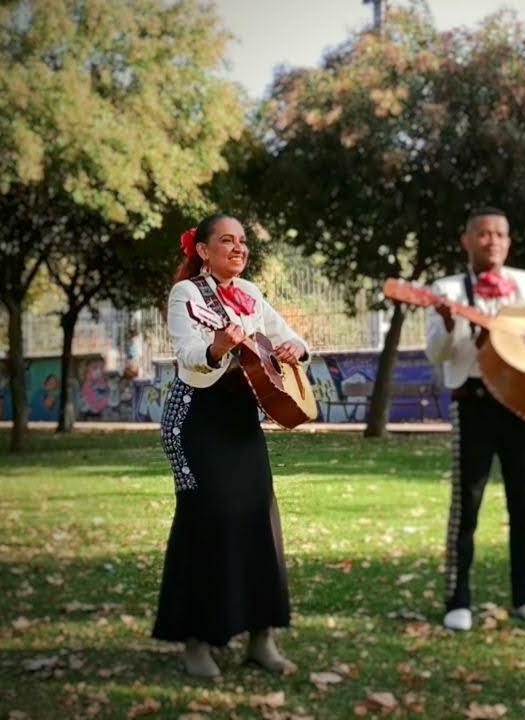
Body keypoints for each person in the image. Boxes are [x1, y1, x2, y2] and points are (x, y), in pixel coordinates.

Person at [153, 212, 310, 676]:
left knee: (259, 517)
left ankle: (261, 637)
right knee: (207, 520)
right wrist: (220, 346)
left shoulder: (252, 293)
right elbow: (187, 355)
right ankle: (196, 642)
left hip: (242, 420)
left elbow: (292, 339)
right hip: (196, 418)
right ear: (203, 250)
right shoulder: (186, 294)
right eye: (227, 241)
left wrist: (291, 351)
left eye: (243, 241)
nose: (239, 248)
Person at [425, 206, 525, 632]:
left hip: (522, 406)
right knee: (467, 505)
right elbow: (436, 354)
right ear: (466, 240)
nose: (492, 241)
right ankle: (457, 599)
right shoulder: (446, 289)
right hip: (473, 403)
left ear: (509, 242)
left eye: (500, 234)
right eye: (483, 233)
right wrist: (447, 324)